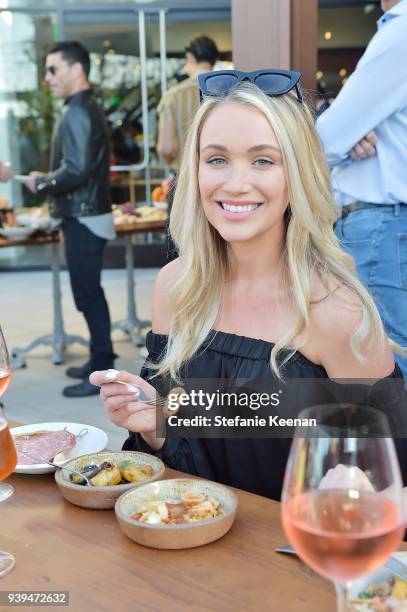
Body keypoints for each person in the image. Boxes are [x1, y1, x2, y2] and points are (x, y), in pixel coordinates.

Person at [90, 69, 405, 501]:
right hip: (185, 539)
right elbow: (178, 438)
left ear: (296, 175)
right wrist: (154, 422)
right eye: (216, 159)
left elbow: (393, 485)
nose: (235, 183)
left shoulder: (336, 311)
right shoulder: (174, 286)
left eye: (263, 160)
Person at [316, 0, 407, 381]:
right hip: (388, 223)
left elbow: (324, 139)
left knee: (384, 361)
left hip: (380, 224)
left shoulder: (401, 31)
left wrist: (339, 129)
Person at [25, 41, 116, 398]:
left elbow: (76, 169)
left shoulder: (78, 110)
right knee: (89, 294)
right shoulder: (83, 107)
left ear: (76, 70)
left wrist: (43, 182)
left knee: (88, 295)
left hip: (84, 215)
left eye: (53, 69)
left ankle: (102, 366)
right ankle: (99, 360)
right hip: (85, 213)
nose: (47, 77)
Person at [156, 35, 219, 261]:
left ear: (190, 57)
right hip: (221, 182)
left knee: (181, 254)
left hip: (184, 182)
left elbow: (165, 147)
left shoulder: (173, 96)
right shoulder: (226, 92)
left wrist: (171, 159)